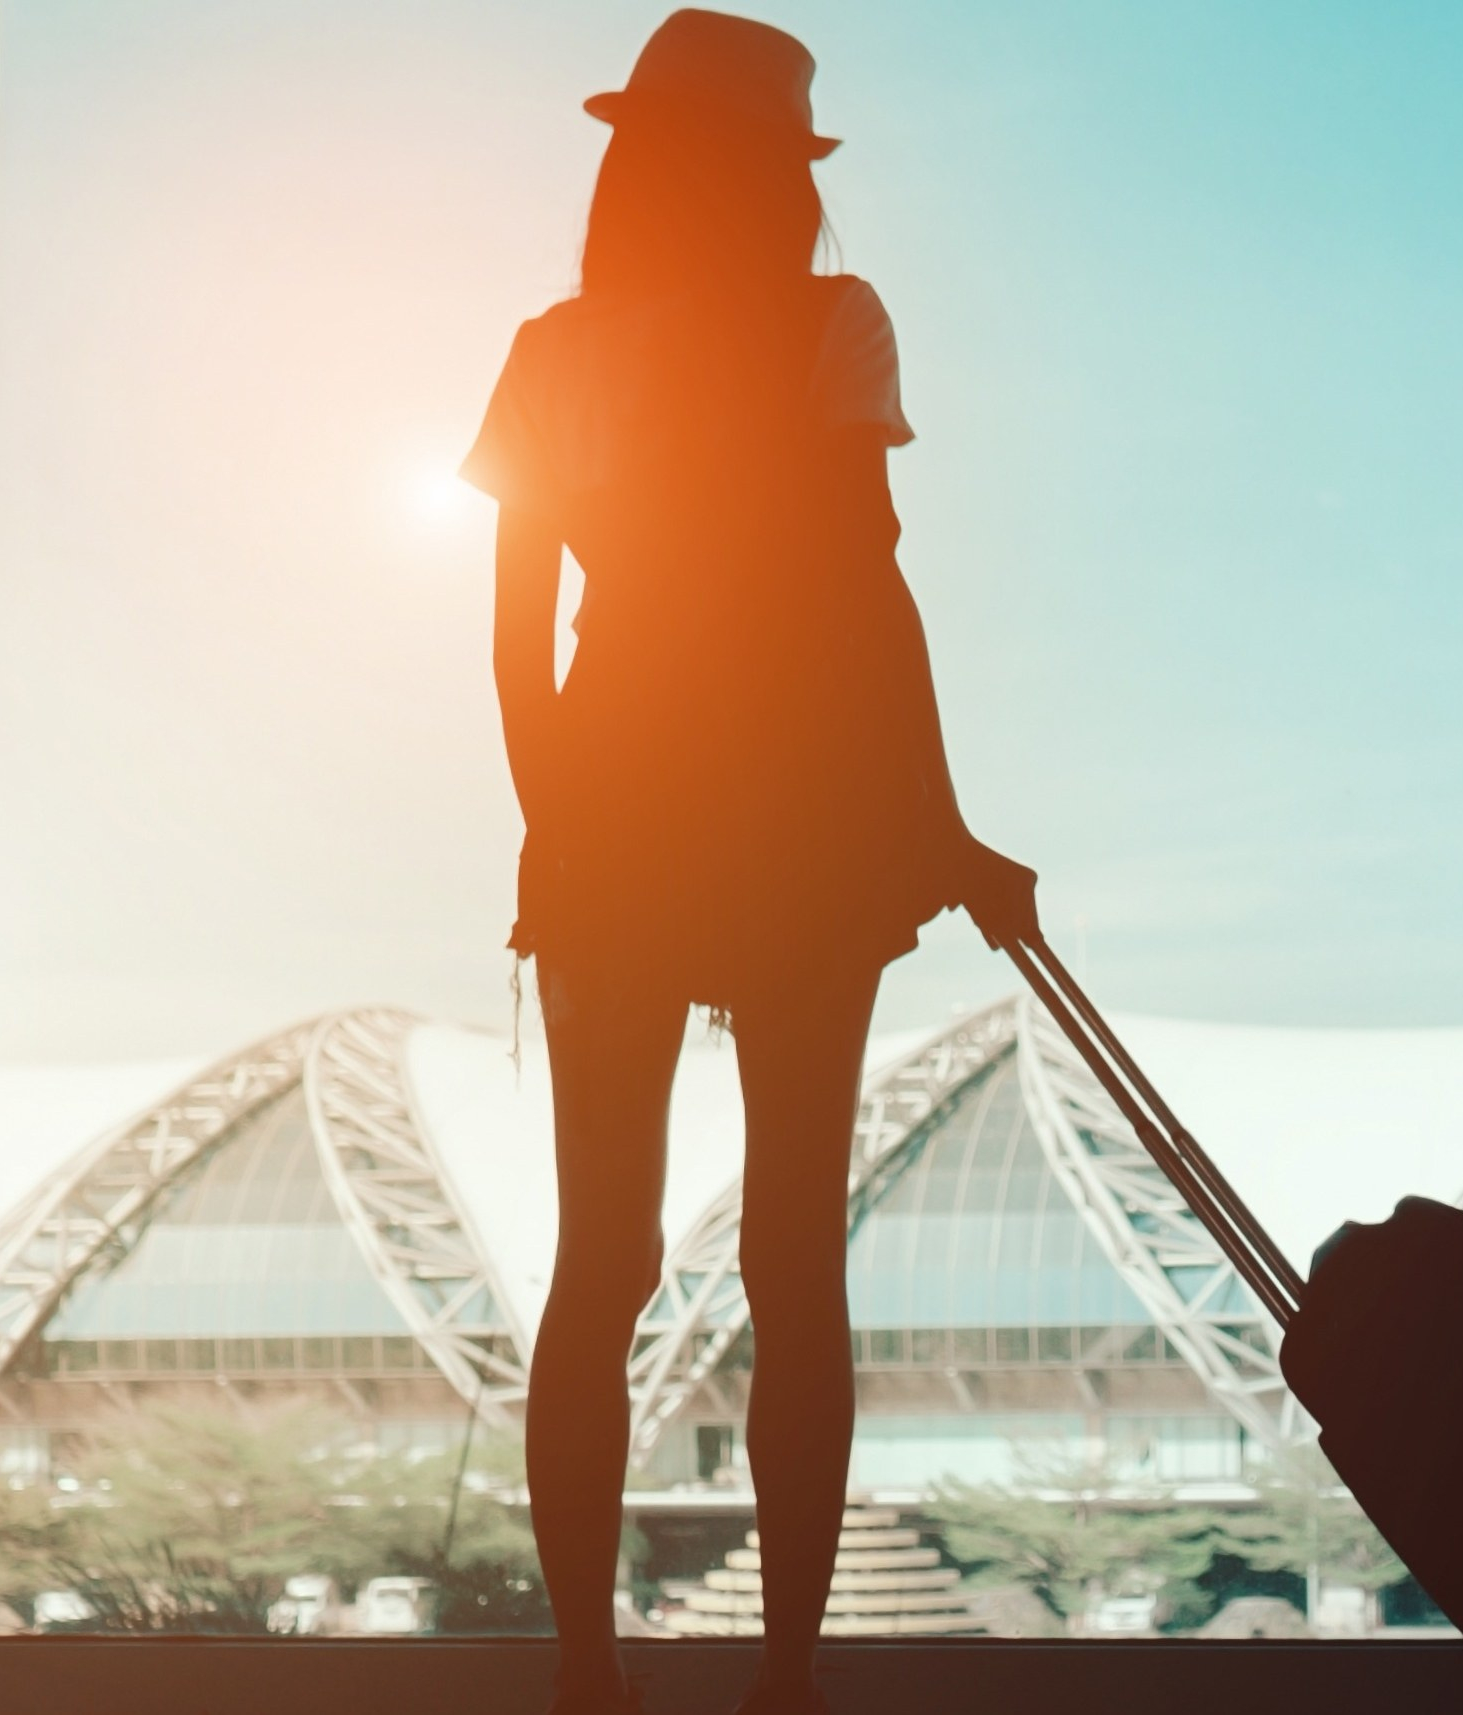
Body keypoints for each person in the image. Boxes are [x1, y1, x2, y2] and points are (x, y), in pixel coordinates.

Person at [459, 12, 1037, 1712]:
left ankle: (586, 1672)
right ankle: (785, 1674)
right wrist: (936, 826)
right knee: (797, 1259)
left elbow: (514, 644)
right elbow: (865, 597)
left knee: (602, 1264)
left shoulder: (553, 350)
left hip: (620, 806)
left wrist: (561, 825)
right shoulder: (830, 324)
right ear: (781, 173)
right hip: (802, 810)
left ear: (635, 159)